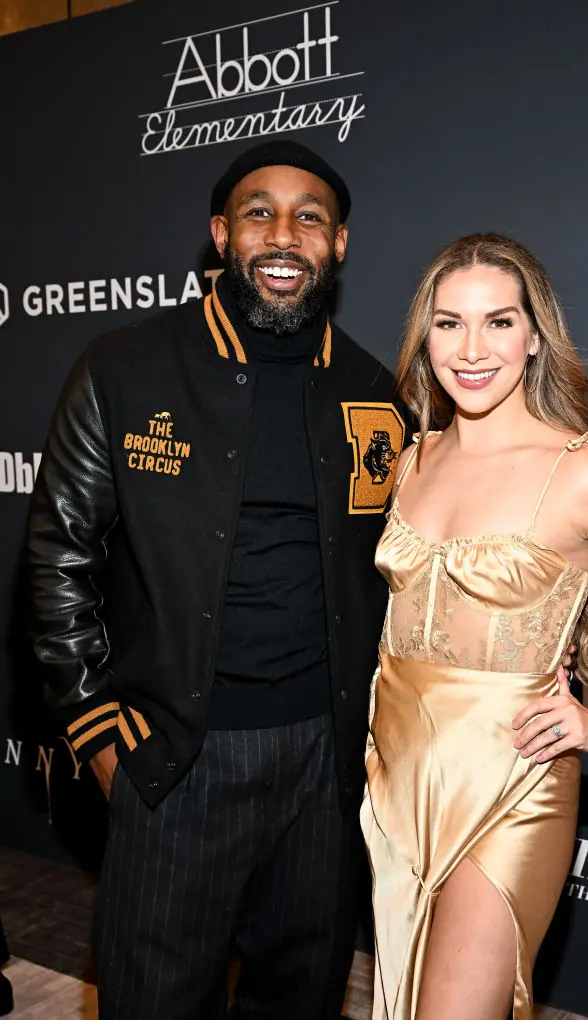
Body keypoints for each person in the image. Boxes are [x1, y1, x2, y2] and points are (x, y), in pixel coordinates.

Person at [26, 138, 406, 1020]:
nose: (284, 234)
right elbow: (58, 556)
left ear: (338, 243)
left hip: (324, 762)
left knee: (301, 996)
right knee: (153, 999)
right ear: (221, 234)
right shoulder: (124, 367)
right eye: (258, 213)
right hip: (173, 754)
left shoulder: (374, 390)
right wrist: (98, 733)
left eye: (309, 217)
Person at [361, 234, 588, 1020]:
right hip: (397, 768)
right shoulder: (411, 460)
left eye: (498, 322)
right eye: (449, 323)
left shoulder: (581, 473)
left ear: (535, 337)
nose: (470, 349)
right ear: (425, 337)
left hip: (511, 773)